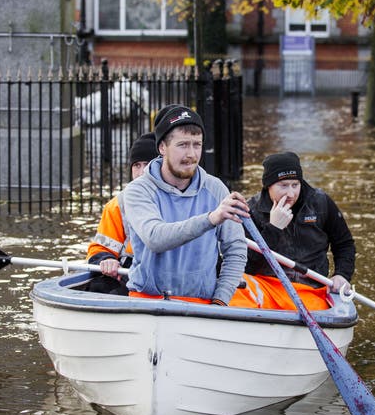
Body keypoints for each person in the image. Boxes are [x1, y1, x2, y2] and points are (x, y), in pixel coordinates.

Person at [119, 104, 251, 306]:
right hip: (147, 302)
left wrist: (221, 300)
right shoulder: (138, 190)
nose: (191, 154)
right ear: (162, 147)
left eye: (196, 145)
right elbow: (155, 238)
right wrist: (210, 219)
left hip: (202, 305)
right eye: (183, 145)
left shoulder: (216, 189)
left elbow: (236, 249)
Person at [243, 151, 356, 311]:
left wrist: (342, 274)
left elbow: (344, 244)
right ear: (268, 185)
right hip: (269, 289)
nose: (291, 193)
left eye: (295, 185)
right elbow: (245, 265)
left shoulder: (320, 202)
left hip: (313, 288)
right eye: (283, 185)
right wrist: (273, 229)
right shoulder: (251, 212)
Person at [84, 132, 158, 294]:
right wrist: (107, 259)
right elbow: (99, 248)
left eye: (147, 164)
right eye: (136, 165)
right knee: (98, 288)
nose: (141, 172)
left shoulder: (179, 200)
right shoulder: (117, 205)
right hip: (130, 272)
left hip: (166, 275)